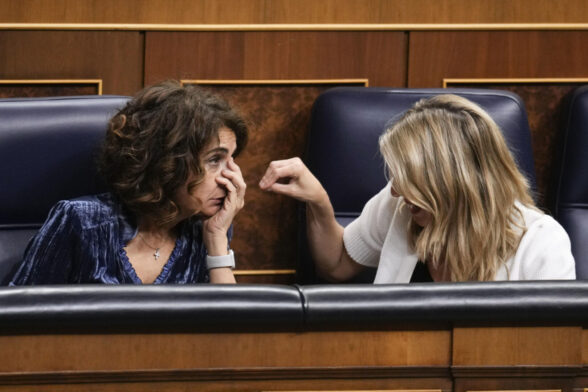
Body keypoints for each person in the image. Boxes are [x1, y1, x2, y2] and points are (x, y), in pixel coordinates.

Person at [259, 94, 576, 283]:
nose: (395, 191)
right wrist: (319, 202)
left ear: (453, 182)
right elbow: (337, 263)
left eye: (411, 180)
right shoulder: (399, 205)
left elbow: (551, 360)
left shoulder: (541, 244)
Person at [7, 81, 247, 285]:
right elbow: (18, 317)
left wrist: (217, 240)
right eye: (215, 159)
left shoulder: (207, 227)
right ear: (167, 162)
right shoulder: (82, 222)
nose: (232, 179)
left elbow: (230, 332)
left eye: (232, 159)